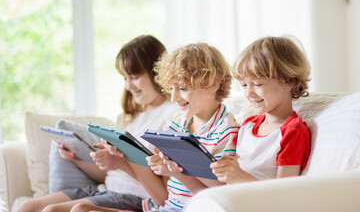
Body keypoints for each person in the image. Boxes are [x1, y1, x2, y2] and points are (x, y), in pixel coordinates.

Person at [71, 42, 240, 212]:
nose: (174, 98)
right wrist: (127, 156)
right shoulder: (177, 126)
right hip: (163, 208)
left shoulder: (227, 131)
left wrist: (176, 172)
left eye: (182, 88)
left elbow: (218, 200)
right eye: (171, 88)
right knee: (81, 208)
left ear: (214, 83)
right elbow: (163, 197)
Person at [17, 35, 179, 212]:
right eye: (125, 78)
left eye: (134, 76)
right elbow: (109, 174)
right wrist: (76, 161)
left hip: (134, 197)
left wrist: (123, 162)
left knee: (52, 211)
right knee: (27, 207)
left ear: (156, 73)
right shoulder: (127, 117)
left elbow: (163, 192)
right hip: (104, 190)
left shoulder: (172, 115)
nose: (128, 86)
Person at [210, 35, 311, 184]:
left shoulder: (292, 131)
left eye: (257, 84)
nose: (248, 93)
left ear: (289, 82)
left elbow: (284, 193)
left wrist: (238, 176)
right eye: (244, 85)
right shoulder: (247, 125)